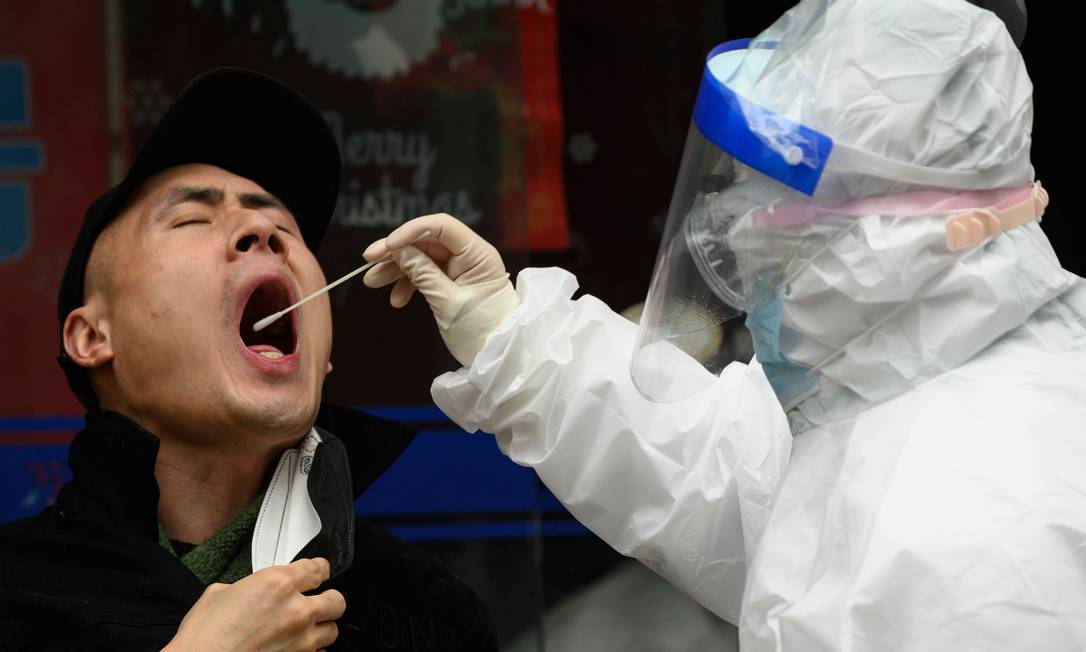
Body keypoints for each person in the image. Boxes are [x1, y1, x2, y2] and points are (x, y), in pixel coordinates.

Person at [362, 0, 1086, 649]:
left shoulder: (983, 534)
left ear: (907, 238)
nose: (739, 252)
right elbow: (723, 478)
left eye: (774, 226)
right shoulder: (901, 392)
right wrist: (516, 335)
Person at [0, 69, 496, 651]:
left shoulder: (423, 614)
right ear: (90, 338)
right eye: (192, 219)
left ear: (321, 358)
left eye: (284, 226)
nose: (263, 229)